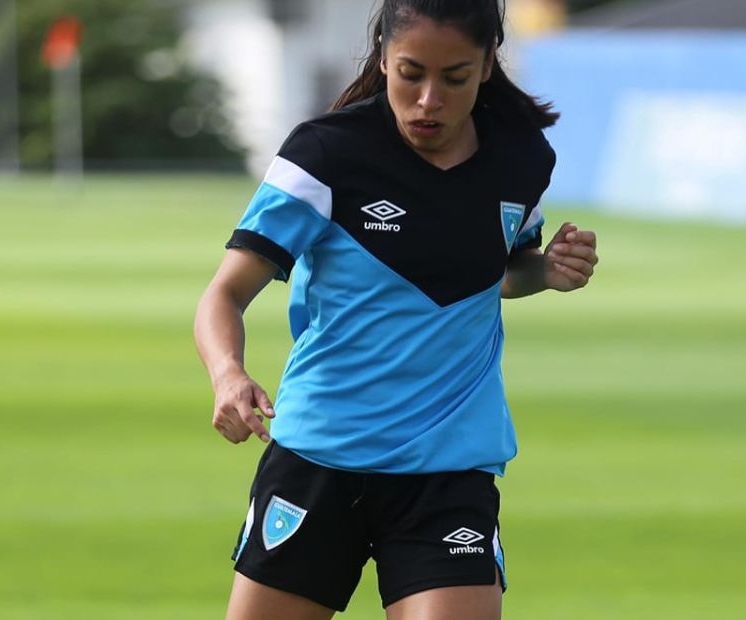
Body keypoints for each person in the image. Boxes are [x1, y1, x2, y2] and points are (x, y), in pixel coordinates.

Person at [193, 1, 599, 618]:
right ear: (383, 54)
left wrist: (546, 271)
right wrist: (228, 374)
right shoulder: (325, 154)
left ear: (489, 64)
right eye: (410, 73)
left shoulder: (521, 159)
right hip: (318, 458)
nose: (429, 99)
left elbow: (503, 271)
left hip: (450, 465)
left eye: (454, 77)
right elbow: (224, 294)